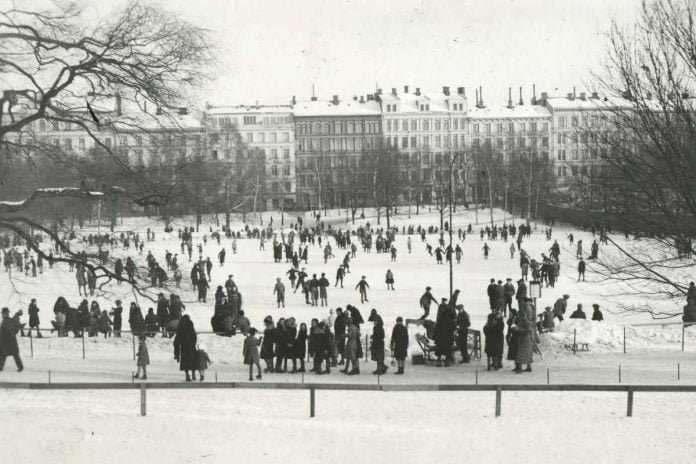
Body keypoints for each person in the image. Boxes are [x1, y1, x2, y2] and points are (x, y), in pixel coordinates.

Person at [173, 314, 198, 381]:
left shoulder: (180, 326)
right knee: (193, 361)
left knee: (185, 362)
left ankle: (187, 375)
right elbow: (194, 336)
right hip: (191, 347)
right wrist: (193, 344)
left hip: (184, 347)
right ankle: (193, 374)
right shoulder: (190, 325)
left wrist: (176, 353)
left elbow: (176, 341)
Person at [0, 307, 24, 372]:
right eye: (3, 313)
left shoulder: (6, 321)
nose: (3, 315)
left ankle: (0, 367)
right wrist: (18, 314)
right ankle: (20, 367)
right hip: (10, 341)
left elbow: (13, 326)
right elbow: (15, 323)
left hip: (6, 341)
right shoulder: (8, 320)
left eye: (5, 313)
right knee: (10, 354)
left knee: (3, 354)